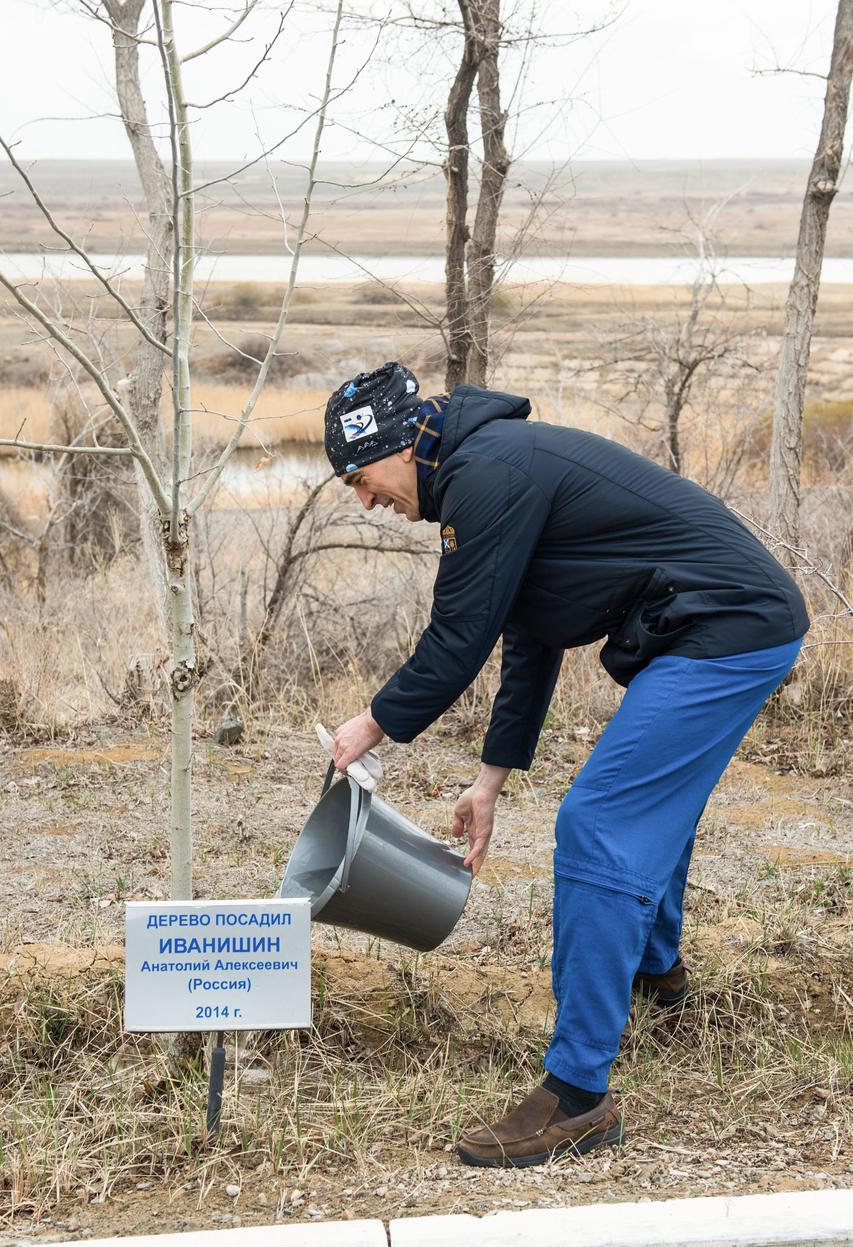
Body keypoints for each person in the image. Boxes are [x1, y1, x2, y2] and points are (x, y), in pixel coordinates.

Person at [324, 361, 808, 1169]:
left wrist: (371, 724)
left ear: (401, 445)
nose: (365, 501)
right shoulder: (486, 466)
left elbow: (458, 637)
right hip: (716, 624)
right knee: (650, 804)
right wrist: (490, 779)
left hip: (729, 627)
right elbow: (529, 631)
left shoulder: (487, 472)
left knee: (599, 822)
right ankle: (656, 975)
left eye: (359, 478)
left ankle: (578, 1096)